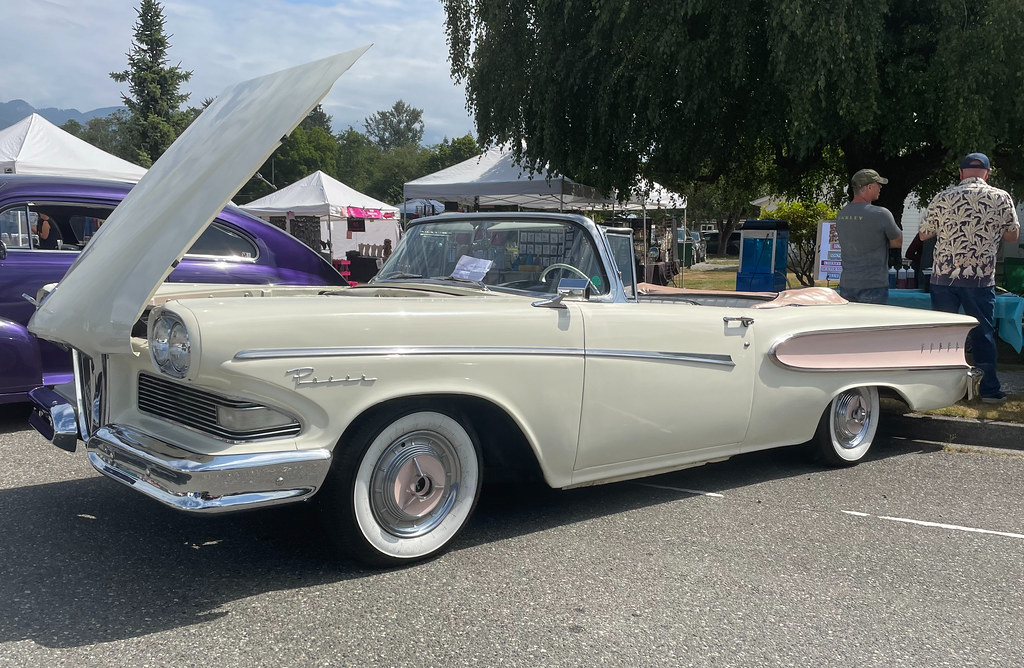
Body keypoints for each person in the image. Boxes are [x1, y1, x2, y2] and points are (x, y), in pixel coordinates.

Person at [918, 152, 1020, 403]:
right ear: (987, 173)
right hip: (980, 278)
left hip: (944, 277)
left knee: (943, 334)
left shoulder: (942, 197)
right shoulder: (1001, 197)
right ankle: (988, 390)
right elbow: (1012, 236)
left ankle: (941, 388)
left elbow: (923, 234)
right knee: (982, 332)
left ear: (961, 172)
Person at [835, 168, 903, 304]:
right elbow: (897, 242)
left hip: (847, 283)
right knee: (872, 318)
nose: (881, 187)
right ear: (869, 187)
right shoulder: (881, 214)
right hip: (873, 285)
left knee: (851, 318)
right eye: (878, 184)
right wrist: (880, 242)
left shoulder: (841, 214)